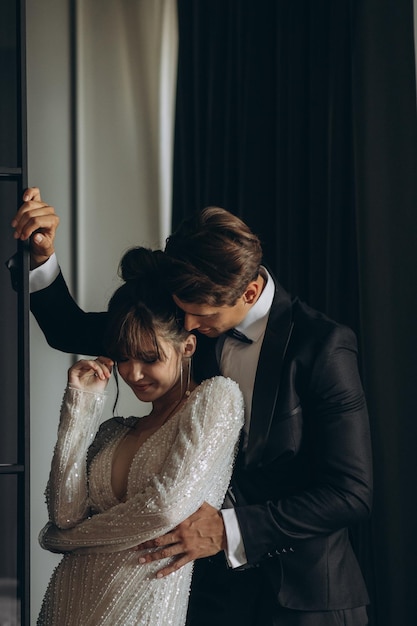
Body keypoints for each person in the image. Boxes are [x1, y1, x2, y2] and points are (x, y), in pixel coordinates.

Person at [12, 188, 372, 626]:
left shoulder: (323, 347)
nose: (188, 328)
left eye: (201, 317)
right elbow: (71, 328)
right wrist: (41, 252)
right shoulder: (184, 315)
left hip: (303, 597)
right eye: (182, 315)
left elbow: (350, 493)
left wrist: (229, 529)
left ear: (250, 290)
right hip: (204, 597)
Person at [35, 245, 244, 626]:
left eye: (149, 358)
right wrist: (80, 407)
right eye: (123, 357)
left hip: (141, 611)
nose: (132, 373)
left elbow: (164, 510)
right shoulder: (114, 431)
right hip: (65, 605)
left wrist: (64, 541)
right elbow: (64, 512)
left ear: (188, 346)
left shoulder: (216, 399)